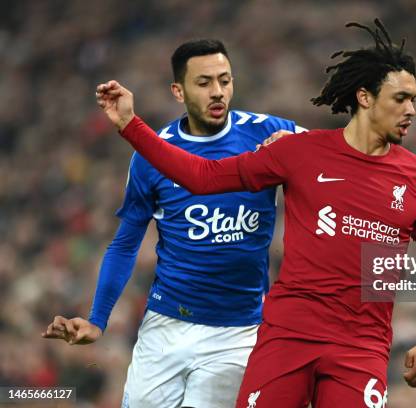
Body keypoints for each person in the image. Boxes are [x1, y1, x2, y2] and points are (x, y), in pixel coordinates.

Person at [96, 19, 416, 407]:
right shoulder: (301, 152)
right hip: (286, 337)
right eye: (400, 98)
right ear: (365, 97)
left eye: (414, 99)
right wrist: (131, 125)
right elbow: (203, 177)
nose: (412, 110)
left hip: (361, 347)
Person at [43, 39, 304, 408]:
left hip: (238, 332)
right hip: (165, 326)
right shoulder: (151, 155)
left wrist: (306, 153)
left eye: (225, 80)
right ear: (178, 91)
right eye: (204, 83)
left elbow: (340, 156)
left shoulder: (269, 133)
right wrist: (97, 320)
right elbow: (125, 242)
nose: (217, 92)